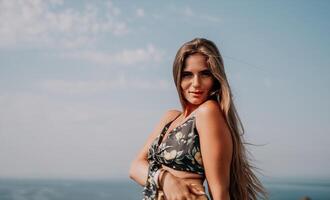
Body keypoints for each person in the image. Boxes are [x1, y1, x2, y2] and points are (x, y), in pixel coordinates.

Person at [129, 38, 267, 200]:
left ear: (215, 79)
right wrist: (166, 180)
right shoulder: (170, 118)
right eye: (187, 75)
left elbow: (220, 191)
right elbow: (135, 168)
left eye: (205, 74)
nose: (196, 83)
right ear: (178, 78)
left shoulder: (208, 113)